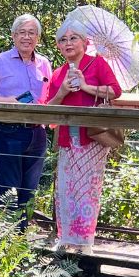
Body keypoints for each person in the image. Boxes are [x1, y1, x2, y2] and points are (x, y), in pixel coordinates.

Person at [46, 19, 122, 249]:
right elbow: (48, 111)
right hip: (67, 139)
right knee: (65, 189)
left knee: (86, 190)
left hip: (92, 139)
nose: (68, 43)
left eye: (73, 38)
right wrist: (62, 91)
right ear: (58, 46)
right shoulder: (58, 73)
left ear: (85, 42)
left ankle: (85, 242)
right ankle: (66, 238)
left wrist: (86, 86)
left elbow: (115, 91)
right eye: (63, 40)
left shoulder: (97, 64)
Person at [0, 14, 52, 228]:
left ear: (38, 37)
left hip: (37, 133)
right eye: (22, 33)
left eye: (31, 33)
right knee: (9, 188)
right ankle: (4, 238)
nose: (27, 37)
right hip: (8, 131)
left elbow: (50, 95)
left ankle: (21, 238)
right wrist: (4, 101)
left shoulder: (44, 64)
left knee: (29, 189)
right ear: (13, 36)